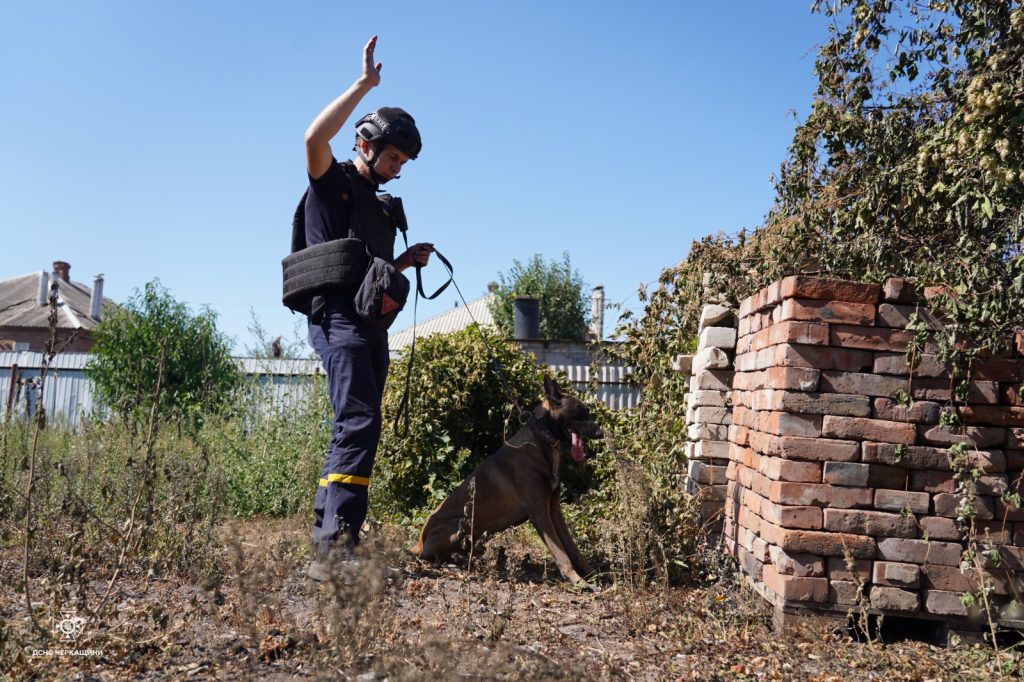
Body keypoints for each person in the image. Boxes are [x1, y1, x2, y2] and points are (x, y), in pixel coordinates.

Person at [302, 36, 433, 580]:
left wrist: (402, 261)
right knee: (359, 420)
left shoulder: (379, 208)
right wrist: (364, 85)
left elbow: (365, 270)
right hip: (337, 319)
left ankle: (328, 536)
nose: (397, 167)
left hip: (369, 323)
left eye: (403, 161)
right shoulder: (332, 183)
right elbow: (313, 137)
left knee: (356, 423)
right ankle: (336, 552)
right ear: (365, 143)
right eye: (393, 156)